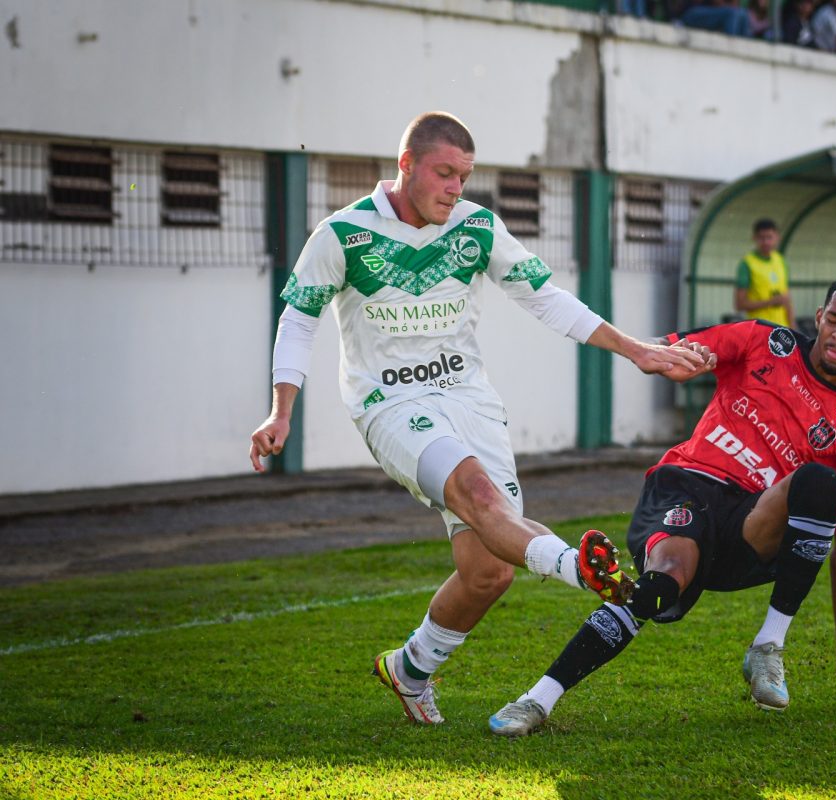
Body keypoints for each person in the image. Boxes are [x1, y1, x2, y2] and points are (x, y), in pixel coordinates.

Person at [248, 111, 712, 726]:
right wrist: (281, 409)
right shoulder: (343, 235)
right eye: (444, 174)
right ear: (406, 165)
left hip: (470, 400)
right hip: (390, 402)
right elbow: (298, 320)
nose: (455, 189)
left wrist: (637, 350)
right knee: (477, 494)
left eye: (463, 177)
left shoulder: (477, 228)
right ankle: (583, 570)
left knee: (489, 570)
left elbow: (546, 297)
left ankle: (410, 669)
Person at [489, 273, 836, 737]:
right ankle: (535, 701)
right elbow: (684, 348)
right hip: (686, 486)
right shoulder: (767, 341)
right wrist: (676, 357)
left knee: (820, 482)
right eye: (835, 320)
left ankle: (767, 646)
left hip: (750, 527)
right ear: (820, 316)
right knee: (662, 584)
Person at [734, 219, 794, 327]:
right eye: (761, 238)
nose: (766, 242)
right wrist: (770, 302)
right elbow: (740, 304)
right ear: (754, 238)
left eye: (769, 237)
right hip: (759, 329)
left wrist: (793, 328)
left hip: (781, 330)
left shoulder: (781, 261)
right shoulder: (747, 263)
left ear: (777, 238)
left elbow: (787, 300)